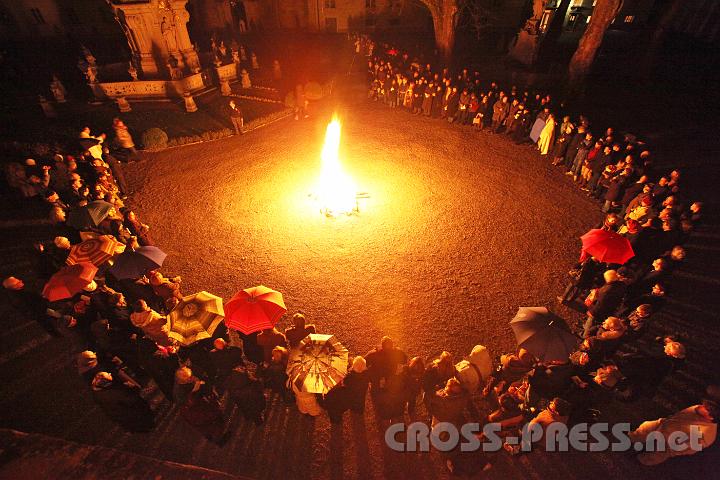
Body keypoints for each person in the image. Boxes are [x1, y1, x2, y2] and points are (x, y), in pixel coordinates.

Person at [629, 398, 718, 465]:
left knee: (659, 453)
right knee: (647, 427)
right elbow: (679, 416)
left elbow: (690, 447)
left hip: (672, 442)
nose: (701, 407)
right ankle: (633, 437)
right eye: (705, 405)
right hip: (665, 425)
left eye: (707, 408)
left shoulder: (707, 434)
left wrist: (674, 448)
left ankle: (642, 460)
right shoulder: (697, 409)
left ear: (711, 417)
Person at [173, 366, 228, 444]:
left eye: (191, 374)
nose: (192, 377)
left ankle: (213, 436)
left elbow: (204, 385)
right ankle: (220, 440)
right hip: (197, 413)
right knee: (211, 425)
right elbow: (189, 403)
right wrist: (194, 391)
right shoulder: (179, 391)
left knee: (212, 425)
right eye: (189, 377)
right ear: (183, 380)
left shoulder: (189, 380)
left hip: (203, 406)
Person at [91, 371, 155, 432]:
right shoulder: (115, 393)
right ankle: (148, 424)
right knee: (141, 404)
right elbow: (133, 400)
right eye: (108, 374)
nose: (109, 373)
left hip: (118, 416)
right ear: (107, 382)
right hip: (131, 415)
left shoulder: (98, 392)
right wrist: (133, 387)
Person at [323, 355, 370, 424]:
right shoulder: (366, 374)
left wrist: (349, 370)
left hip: (352, 393)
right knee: (360, 400)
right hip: (362, 392)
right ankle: (359, 410)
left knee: (354, 400)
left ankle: (354, 408)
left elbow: (345, 382)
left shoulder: (350, 376)